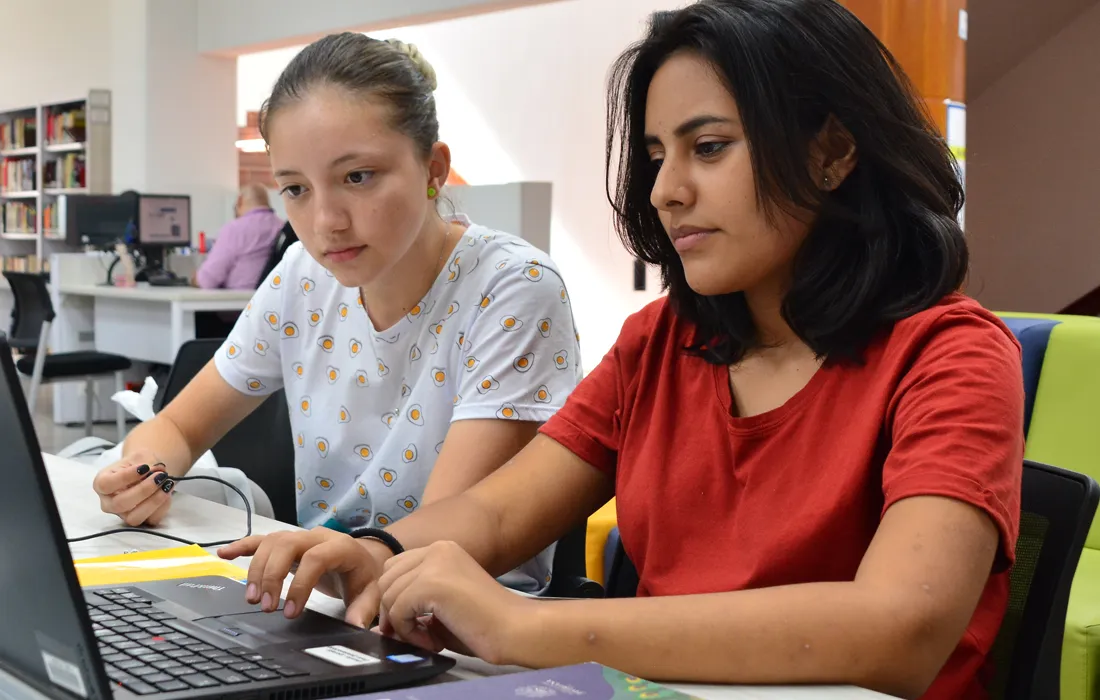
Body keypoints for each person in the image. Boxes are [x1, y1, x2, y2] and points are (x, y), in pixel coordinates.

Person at [217, 1, 1024, 698]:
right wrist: (375, 555)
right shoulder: (666, 342)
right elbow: (500, 511)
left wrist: (527, 627)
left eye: (708, 148)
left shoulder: (951, 356)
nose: (668, 189)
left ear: (833, 151)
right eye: (654, 156)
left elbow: (901, 629)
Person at [91, 33, 583, 594]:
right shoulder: (302, 274)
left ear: (434, 168)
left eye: (357, 177)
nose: (327, 221)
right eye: (296, 188)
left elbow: (452, 537)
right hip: (324, 597)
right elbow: (177, 425)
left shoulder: (513, 287)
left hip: (459, 622)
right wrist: (140, 473)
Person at [192, 182, 285, 290]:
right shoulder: (282, 227)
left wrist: (196, 278)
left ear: (240, 201)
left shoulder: (234, 229)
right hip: (272, 301)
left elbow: (208, 280)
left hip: (237, 302)